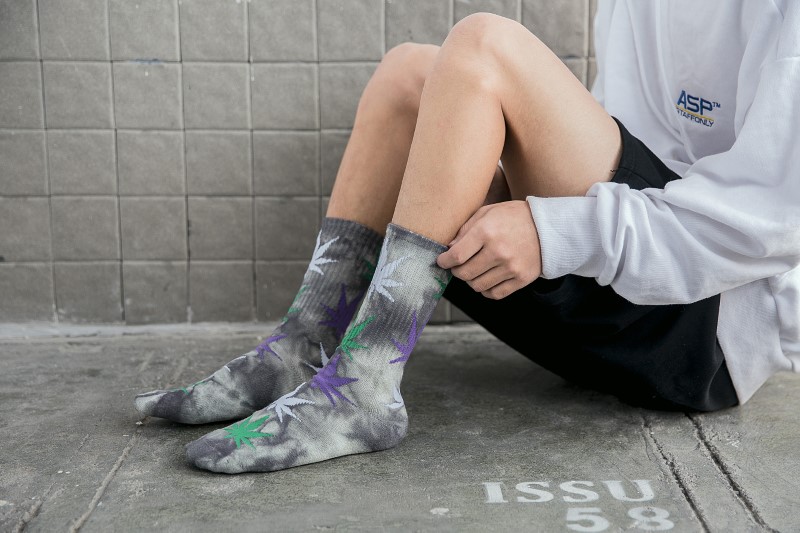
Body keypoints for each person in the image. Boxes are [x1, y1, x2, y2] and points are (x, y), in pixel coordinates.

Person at [134, 1, 800, 474]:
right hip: (627, 295)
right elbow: (618, 142)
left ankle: (365, 387)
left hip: (708, 334)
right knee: (409, 73)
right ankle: (302, 347)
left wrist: (560, 229)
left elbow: (772, 223)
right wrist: (540, 214)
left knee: (486, 45)